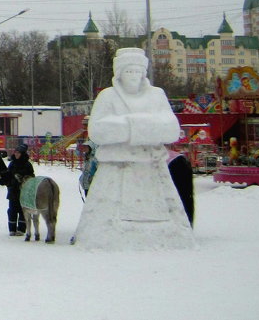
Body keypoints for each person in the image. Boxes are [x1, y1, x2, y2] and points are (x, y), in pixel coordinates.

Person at [72, 47, 194, 250]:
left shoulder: (157, 95)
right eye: (129, 71)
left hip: (152, 168)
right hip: (116, 169)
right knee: (107, 222)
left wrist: (127, 127)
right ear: (119, 73)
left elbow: (171, 130)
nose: (134, 76)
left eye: (138, 71)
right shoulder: (108, 96)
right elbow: (98, 131)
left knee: (163, 218)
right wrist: (139, 125)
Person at [5, 142, 34, 236]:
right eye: (15, 152)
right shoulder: (12, 164)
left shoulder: (27, 165)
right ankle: (12, 229)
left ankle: (21, 229)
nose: (16, 154)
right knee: (12, 210)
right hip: (13, 192)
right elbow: (7, 176)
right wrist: (9, 182)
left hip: (23, 193)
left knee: (23, 211)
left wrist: (22, 179)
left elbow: (31, 178)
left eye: (18, 153)